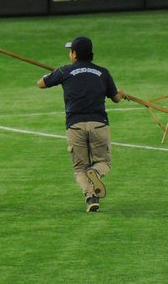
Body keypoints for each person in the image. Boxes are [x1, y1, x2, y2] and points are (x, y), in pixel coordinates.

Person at [37, 37, 126, 212]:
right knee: (103, 163)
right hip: (99, 124)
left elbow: (40, 84)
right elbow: (115, 98)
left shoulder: (65, 71)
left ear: (75, 54)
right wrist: (121, 94)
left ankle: (91, 198)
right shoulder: (102, 72)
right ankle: (97, 173)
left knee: (80, 169)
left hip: (75, 126)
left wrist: (55, 74)